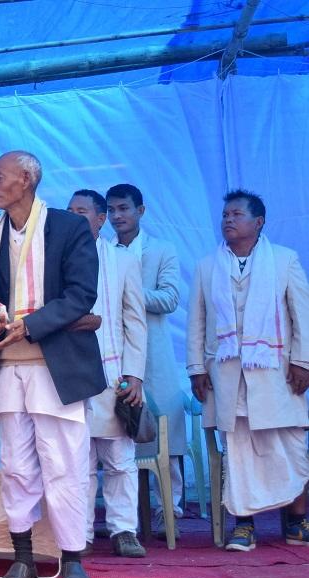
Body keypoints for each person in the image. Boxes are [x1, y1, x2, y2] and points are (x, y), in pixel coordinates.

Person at [0, 151, 105, 578]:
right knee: (16, 466)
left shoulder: (68, 227)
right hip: (10, 366)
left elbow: (81, 294)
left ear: (26, 180)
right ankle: (23, 560)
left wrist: (29, 326)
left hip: (57, 366)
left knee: (65, 463)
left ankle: (73, 559)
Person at [187, 189, 309, 551]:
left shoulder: (284, 260)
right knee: (239, 453)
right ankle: (244, 526)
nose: (228, 220)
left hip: (277, 376)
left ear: (258, 222)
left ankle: (297, 522)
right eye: (225, 214)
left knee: (290, 448)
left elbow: (302, 316)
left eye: (236, 214)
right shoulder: (207, 266)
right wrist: (196, 368)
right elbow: (197, 322)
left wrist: (303, 362)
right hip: (227, 376)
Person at [67, 190, 148, 558]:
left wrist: (135, 375)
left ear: (100, 219)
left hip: (114, 373)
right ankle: (79, 534)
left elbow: (135, 322)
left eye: (81, 211)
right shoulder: (56, 259)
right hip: (70, 374)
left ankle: (123, 530)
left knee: (119, 459)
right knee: (77, 461)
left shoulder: (123, 260)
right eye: (69, 211)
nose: (73, 216)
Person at [107, 183, 186, 537]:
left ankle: (169, 508)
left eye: (123, 208)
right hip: (114, 353)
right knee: (115, 434)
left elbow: (169, 298)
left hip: (153, 355)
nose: (117, 216)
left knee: (164, 435)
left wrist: (128, 290)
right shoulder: (102, 251)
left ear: (141, 210)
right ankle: (125, 517)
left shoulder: (161, 249)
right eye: (111, 210)